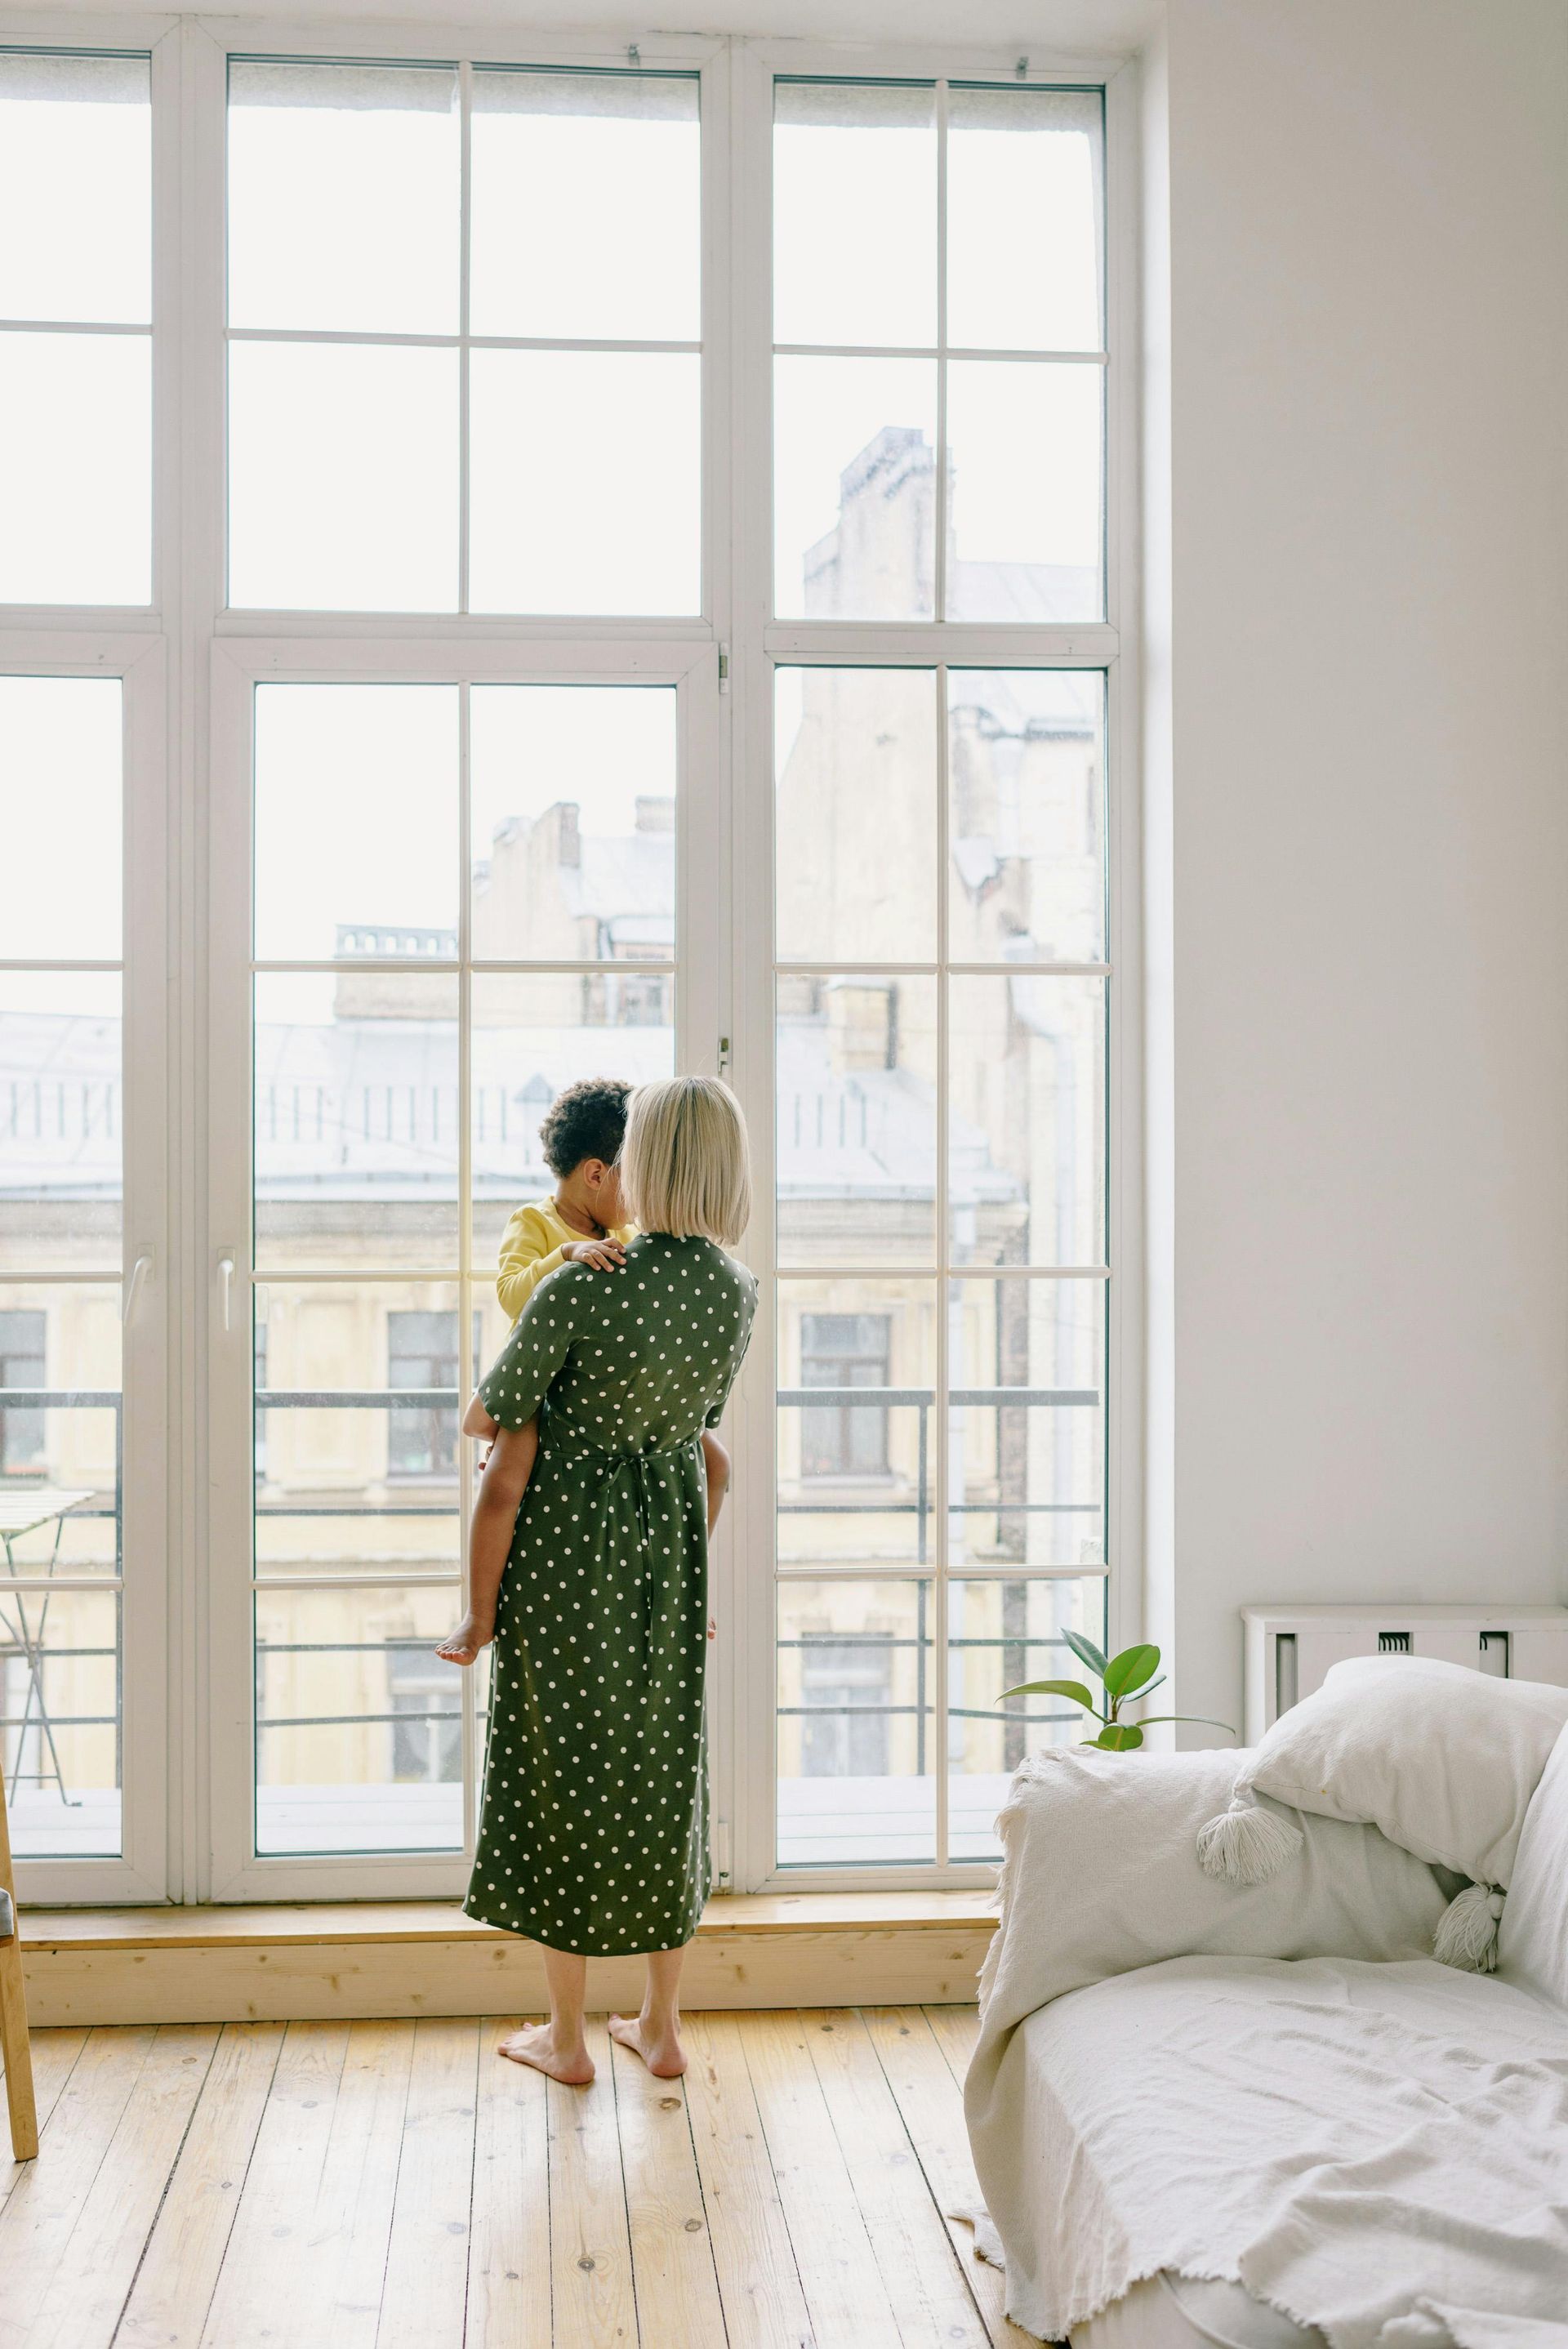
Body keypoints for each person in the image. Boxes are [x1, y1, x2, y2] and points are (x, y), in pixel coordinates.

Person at [450, 1075, 755, 2085]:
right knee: (663, 1778)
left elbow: (492, 1428)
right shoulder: (734, 1289)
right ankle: (660, 2025)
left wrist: (480, 1610)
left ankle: (568, 2036)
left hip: (566, 1557)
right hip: (668, 1562)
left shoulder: (577, 1283)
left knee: (560, 1780)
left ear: (644, 1161)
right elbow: (699, 1437)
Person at [438, 1076, 731, 1665]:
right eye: (636, 1175)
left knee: (717, 1463)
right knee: (502, 1484)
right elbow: (512, 1294)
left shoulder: (626, 1233)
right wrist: (564, 1256)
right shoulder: (535, 1223)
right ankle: (479, 1614)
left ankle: (686, 1589)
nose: (643, 1192)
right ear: (597, 1174)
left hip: (613, 1391)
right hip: (542, 1389)